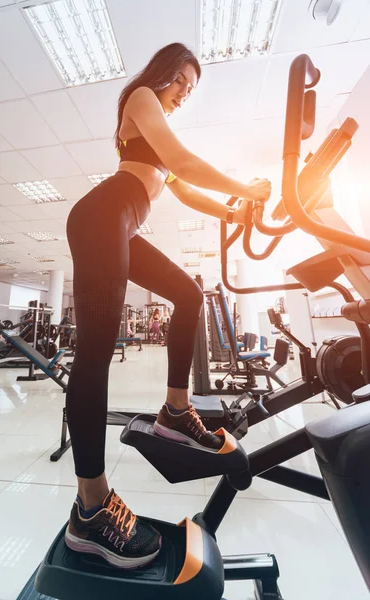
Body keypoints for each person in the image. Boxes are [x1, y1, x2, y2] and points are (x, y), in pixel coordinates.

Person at [64, 42, 271, 570]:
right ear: (160, 74)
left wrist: (236, 206)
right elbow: (180, 160)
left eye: (190, 89)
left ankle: (176, 412)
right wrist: (244, 186)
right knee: (95, 356)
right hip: (101, 216)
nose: (183, 93)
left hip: (121, 223)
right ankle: (90, 508)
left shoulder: (151, 133)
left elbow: (186, 188)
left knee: (188, 293)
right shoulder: (139, 98)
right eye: (180, 80)